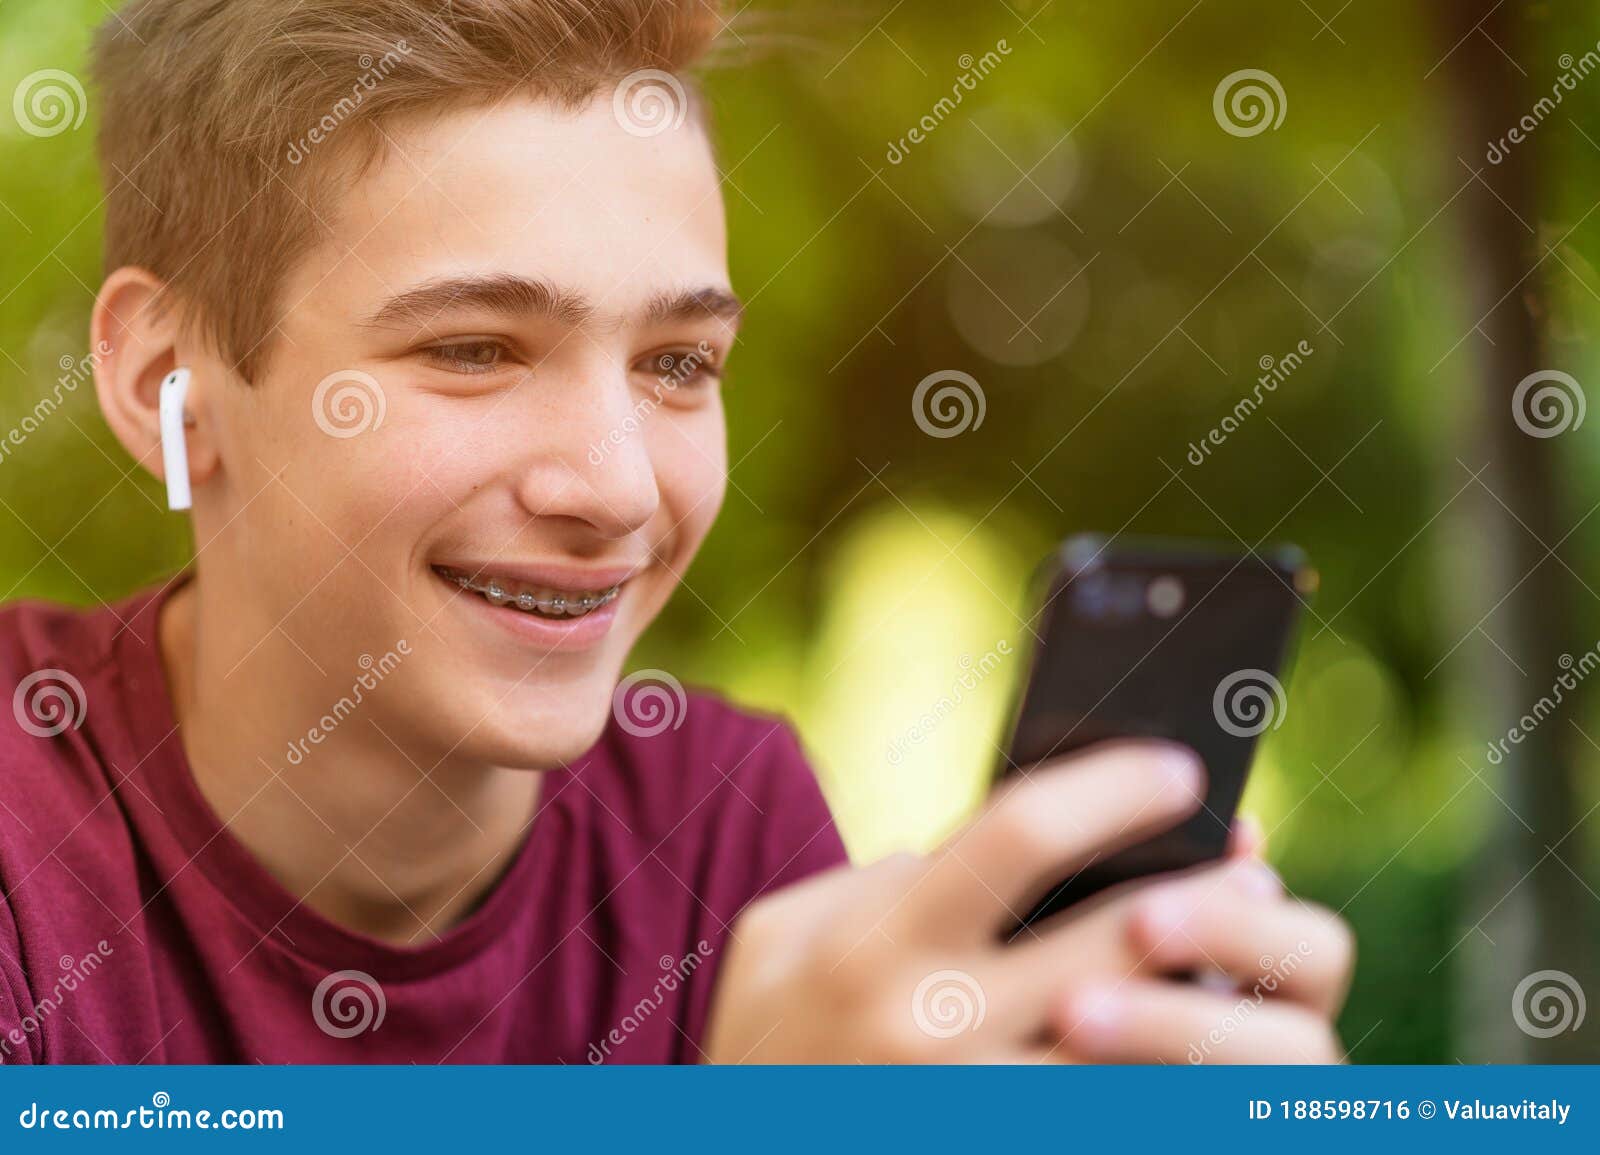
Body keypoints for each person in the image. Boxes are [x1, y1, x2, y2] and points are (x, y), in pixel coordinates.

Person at [0, 0, 1351, 1064]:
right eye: (474, 348)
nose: (620, 491)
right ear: (160, 381)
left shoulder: (717, 821)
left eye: (678, 365)